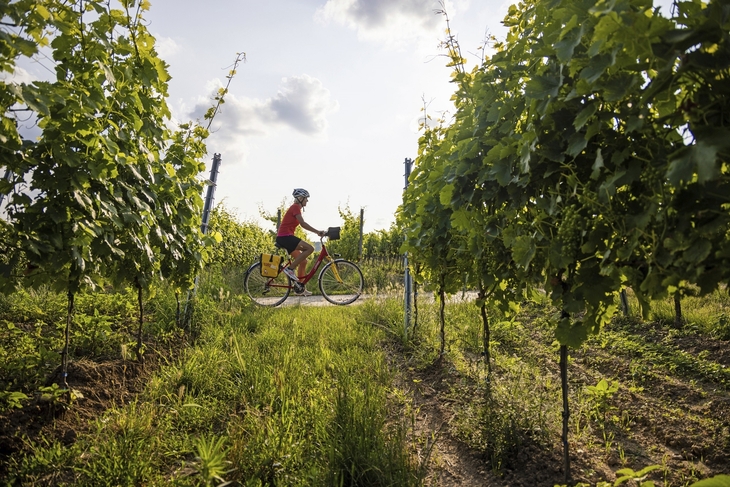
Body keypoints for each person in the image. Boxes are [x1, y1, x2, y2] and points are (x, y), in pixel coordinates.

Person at [276, 188, 326, 296]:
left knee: (303, 261)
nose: (307, 201)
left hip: (286, 237)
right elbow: (303, 224)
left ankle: (300, 288)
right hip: (285, 237)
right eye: (306, 199)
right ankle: (290, 269)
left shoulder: (296, 208)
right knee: (310, 248)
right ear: (300, 198)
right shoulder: (295, 207)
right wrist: (317, 231)